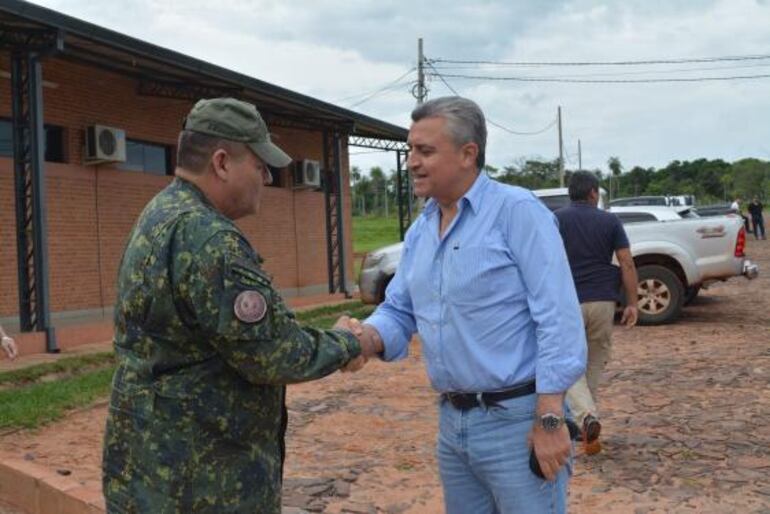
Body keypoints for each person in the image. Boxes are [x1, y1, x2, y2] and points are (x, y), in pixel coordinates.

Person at [102, 98, 376, 514]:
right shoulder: (211, 239)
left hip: (148, 466)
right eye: (260, 164)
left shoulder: (159, 214)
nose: (267, 176)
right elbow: (273, 354)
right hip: (203, 481)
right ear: (222, 162)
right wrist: (348, 342)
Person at [344, 97, 586, 514]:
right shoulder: (422, 229)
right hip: (453, 426)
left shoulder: (517, 212)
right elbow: (400, 309)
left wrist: (550, 420)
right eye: (410, 150)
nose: (412, 163)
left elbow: (558, 318)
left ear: (467, 153)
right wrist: (363, 339)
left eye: (425, 151)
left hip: (517, 422)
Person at [555, 171, 639, 452]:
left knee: (569, 361)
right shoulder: (610, 221)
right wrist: (632, 302)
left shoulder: (556, 220)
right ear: (593, 193)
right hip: (603, 300)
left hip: (567, 301)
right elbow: (626, 263)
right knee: (594, 359)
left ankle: (586, 416)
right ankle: (586, 419)